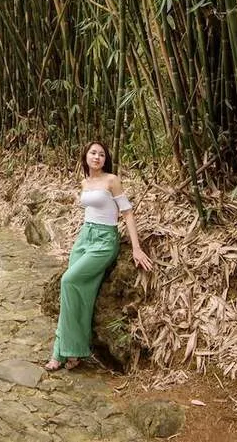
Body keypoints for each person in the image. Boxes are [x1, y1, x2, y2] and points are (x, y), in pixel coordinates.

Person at [45, 140, 154, 372]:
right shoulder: (84, 181)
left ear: (106, 159)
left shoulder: (112, 180)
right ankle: (69, 352)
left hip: (104, 241)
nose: (97, 157)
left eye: (102, 154)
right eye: (93, 153)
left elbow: (128, 214)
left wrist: (136, 247)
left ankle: (60, 352)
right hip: (84, 238)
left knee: (68, 281)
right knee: (75, 295)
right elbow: (90, 211)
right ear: (85, 156)